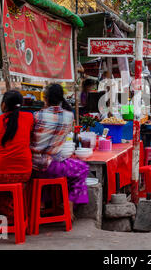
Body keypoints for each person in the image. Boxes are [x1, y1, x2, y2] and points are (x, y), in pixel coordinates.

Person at [31, 84, 90, 220]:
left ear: (45, 99)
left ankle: (42, 204)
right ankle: (69, 206)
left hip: (32, 165)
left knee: (44, 176)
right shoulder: (69, 116)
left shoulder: (37, 115)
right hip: (52, 166)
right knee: (82, 168)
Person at [0, 91, 34, 221]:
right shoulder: (29, 118)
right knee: (16, 184)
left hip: (0, 174)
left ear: (3, 105)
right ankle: (14, 215)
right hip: (25, 172)